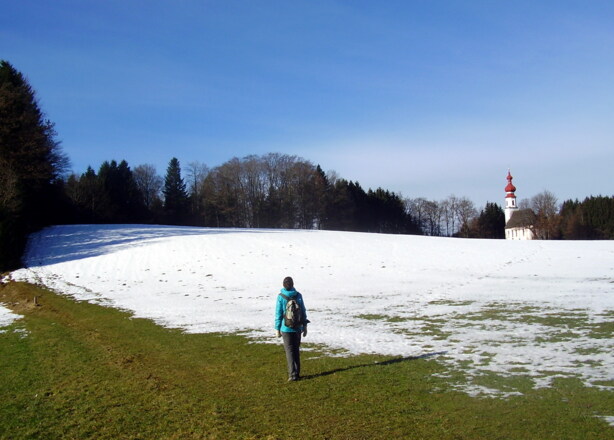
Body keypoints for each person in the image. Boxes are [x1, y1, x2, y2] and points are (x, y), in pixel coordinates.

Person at [274, 276, 308, 381]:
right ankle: (297, 373)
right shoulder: (298, 295)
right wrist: (305, 326)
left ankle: (292, 375)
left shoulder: (281, 297)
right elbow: (302, 311)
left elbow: (278, 313)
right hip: (297, 327)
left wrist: (277, 328)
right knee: (296, 350)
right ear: (293, 284)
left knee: (289, 351)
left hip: (286, 328)